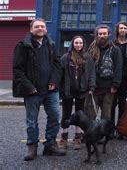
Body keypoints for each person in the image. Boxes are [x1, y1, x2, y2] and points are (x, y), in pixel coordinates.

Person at [12, 18, 66, 161]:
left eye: (42, 26)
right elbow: (17, 70)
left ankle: (50, 145)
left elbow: (57, 65)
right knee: (32, 121)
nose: (40, 28)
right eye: (37, 26)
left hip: (50, 91)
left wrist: (54, 81)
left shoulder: (51, 44)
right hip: (32, 91)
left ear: (46, 29)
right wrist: (29, 87)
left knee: (55, 117)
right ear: (31, 29)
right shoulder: (23, 46)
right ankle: (32, 146)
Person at [58, 35, 96, 150]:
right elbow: (60, 74)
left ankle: (78, 138)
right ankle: (64, 138)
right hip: (68, 90)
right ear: (72, 44)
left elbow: (92, 73)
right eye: (76, 43)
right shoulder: (66, 57)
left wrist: (92, 86)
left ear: (83, 44)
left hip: (82, 90)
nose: (78, 45)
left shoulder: (87, 57)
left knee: (80, 114)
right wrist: (61, 88)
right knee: (66, 113)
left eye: (80, 43)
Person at [87, 25, 123, 121]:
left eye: (104, 34)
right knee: (91, 114)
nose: (102, 36)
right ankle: (92, 135)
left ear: (108, 35)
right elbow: (87, 68)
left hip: (108, 87)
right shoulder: (91, 49)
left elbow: (118, 68)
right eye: (100, 34)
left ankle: (107, 135)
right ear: (96, 35)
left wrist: (115, 85)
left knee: (106, 115)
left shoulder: (115, 50)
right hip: (94, 87)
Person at [111, 21, 127, 138]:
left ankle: (120, 128)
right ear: (117, 30)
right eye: (121, 28)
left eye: (125, 28)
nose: (123, 30)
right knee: (112, 103)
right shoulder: (112, 43)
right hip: (113, 77)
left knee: (122, 103)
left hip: (125, 76)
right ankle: (110, 129)